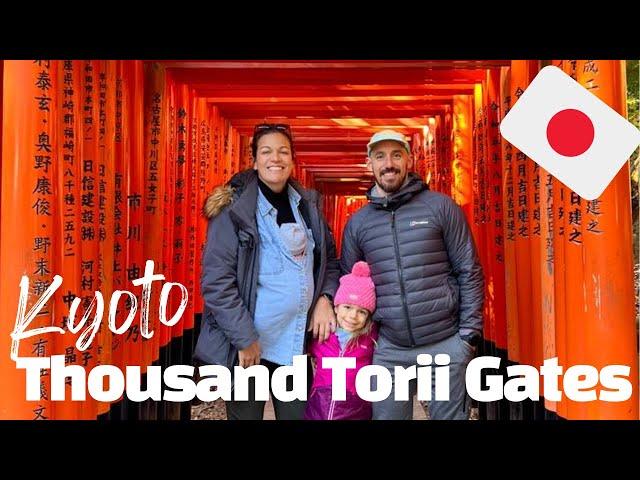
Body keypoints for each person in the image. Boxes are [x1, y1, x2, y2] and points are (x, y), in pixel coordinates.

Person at [194, 123, 340, 420]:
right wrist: (244, 338)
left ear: (292, 160)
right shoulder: (233, 211)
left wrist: (325, 296)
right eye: (267, 151)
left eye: (283, 151)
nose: (276, 158)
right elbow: (217, 282)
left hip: (295, 342)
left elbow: (330, 260)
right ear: (255, 160)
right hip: (251, 347)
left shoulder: (307, 206)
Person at [340, 129, 484, 420]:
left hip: (445, 342)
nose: (388, 163)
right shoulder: (358, 223)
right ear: (369, 163)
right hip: (390, 347)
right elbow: (349, 281)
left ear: (409, 159)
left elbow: (468, 269)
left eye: (396, 155)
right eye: (380, 156)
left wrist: (467, 337)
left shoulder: (440, 207)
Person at [304, 261, 378, 420]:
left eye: (362, 312)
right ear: (336, 307)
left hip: (356, 410)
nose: (353, 316)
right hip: (318, 409)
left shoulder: (371, 338)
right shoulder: (323, 332)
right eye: (347, 307)